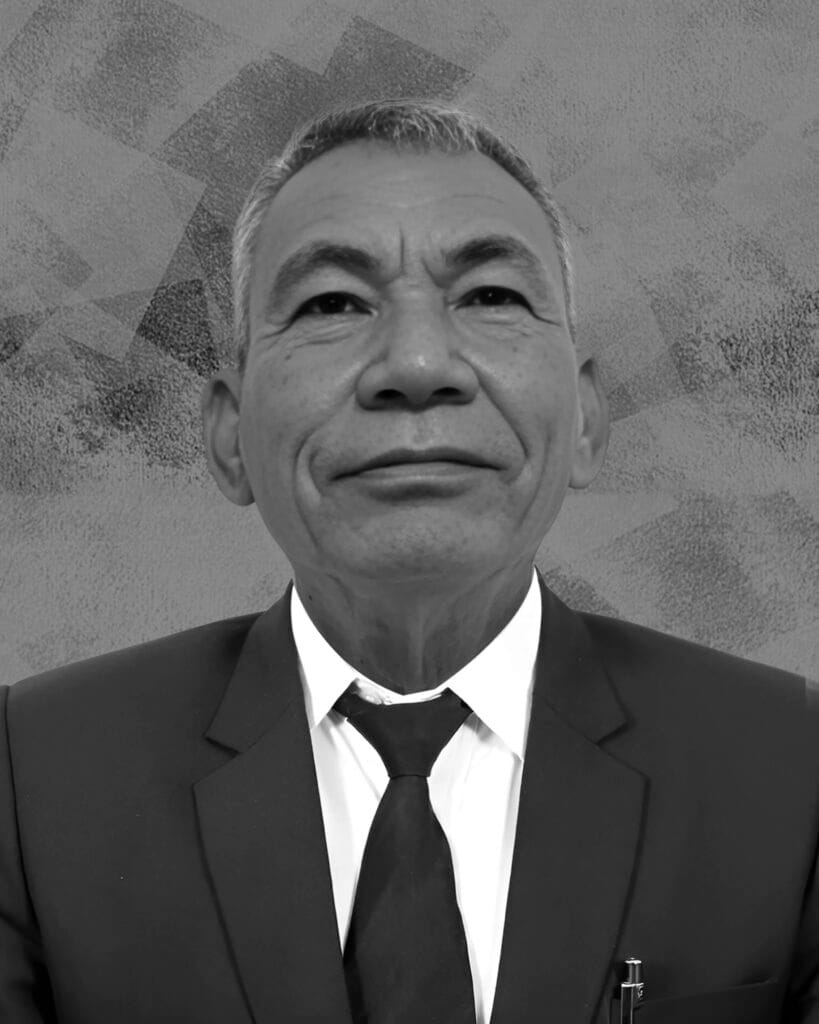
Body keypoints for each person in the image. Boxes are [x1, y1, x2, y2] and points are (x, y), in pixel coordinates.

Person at [0, 98, 816, 1024]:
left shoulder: (790, 770)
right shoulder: (33, 779)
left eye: (491, 296)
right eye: (331, 304)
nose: (419, 363)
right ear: (229, 437)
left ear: (587, 419)